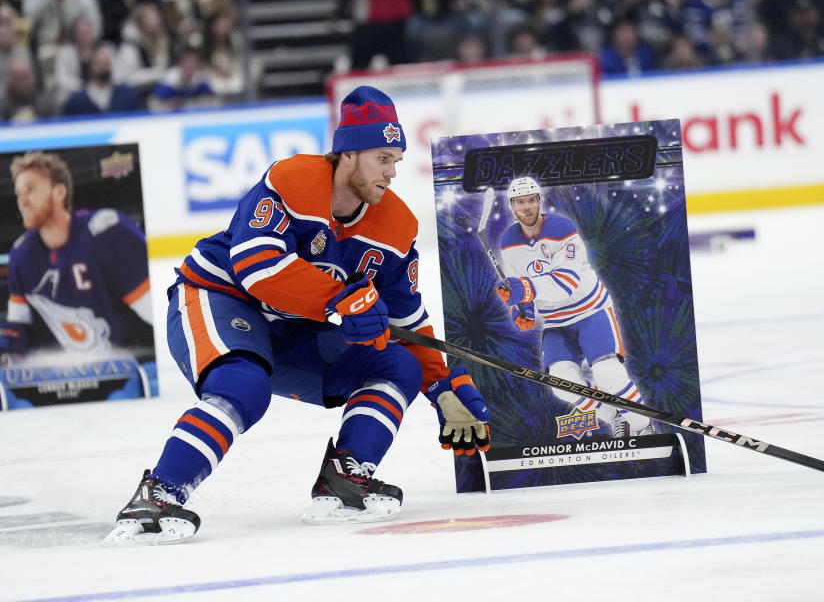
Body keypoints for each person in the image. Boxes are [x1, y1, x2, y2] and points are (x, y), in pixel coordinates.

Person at [105, 86, 491, 545]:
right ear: (347, 154)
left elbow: (407, 324)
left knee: (397, 364)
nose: (392, 172)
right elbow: (257, 267)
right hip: (217, 297)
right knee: (242, 386)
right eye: (383, 157)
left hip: (291, 328)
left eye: (397, 160)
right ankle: (158, 494)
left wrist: (442, 388)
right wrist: (341, 299)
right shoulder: (293, 179)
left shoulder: (397, 227)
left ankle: (346, 478)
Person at [495, 177, 654, 438]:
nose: (527, 207)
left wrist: (523, 288)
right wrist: (521, 309)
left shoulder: (561, 228)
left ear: (539, 201)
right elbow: (520, 286)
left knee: (608, 374)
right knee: (561, 385)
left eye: (532, 200)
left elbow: (565, 283)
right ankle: (613, 417)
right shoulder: (509, 242)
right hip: (556, 323)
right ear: (512, 206)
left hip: (590, 311)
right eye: (520, 202)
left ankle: (642, 426)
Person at [0, 151, 153, 356]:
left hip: (134, 367)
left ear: (59, 192)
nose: (23, 201)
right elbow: (19, 332)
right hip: (68, 377)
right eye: (19, 194)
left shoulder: (107, 232)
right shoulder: (21, 255)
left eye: (30, 190)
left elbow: (158, 312)